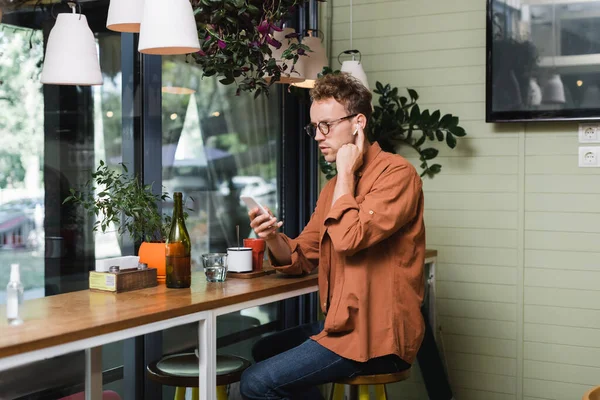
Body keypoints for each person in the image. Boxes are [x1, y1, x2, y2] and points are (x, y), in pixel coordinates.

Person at [239, 72, 426, 400]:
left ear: (358, 123)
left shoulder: (398, 175)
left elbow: (349, 239)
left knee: (256, 382)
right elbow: (302, 258)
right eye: (315, 127)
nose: (318, 137)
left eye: (327, 125)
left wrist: (344, 173)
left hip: (377, 339)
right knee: (266, 348)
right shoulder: (333, 190)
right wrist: (272, 238)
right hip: (341, 329)